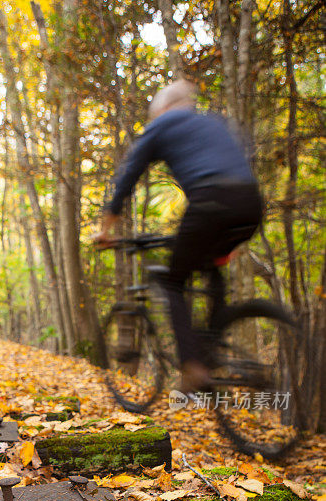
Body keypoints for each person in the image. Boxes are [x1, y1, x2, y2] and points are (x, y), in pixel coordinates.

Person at [94, 79, 263, 393]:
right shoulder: (213, 121)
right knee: (211, 266)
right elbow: (246, 151)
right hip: (250, 203)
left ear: (162, 108)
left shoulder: (162, 125)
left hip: (212, 202)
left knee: (172, 281)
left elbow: (127, 177)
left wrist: (105, 229)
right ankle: (213, 347)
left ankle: (192, 366)